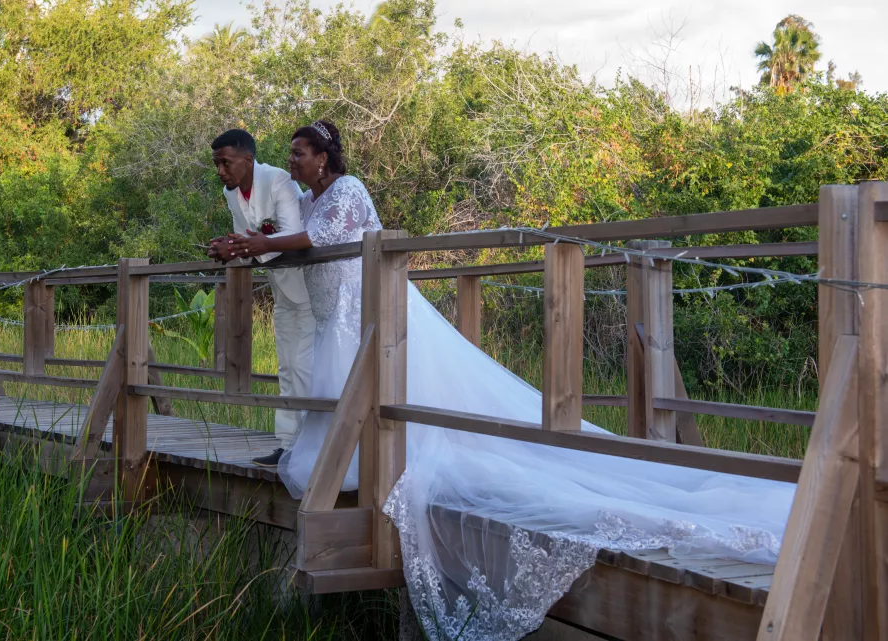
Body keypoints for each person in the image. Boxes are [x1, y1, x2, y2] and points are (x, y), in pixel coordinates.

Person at [227, 120, 795, 641]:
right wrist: (245, 247)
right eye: (293, 155)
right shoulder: (306, 198)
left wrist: (259, 243)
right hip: (338, 315)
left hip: (367, 310)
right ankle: (351, 464)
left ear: (324, 158)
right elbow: (292, 238)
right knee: (347, 393)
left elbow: (319, 241)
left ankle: (382, 459)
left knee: (402, 397)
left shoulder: (348, 192)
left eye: (300, 154)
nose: (293, 161)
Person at [207, 129, 315, 467]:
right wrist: (227, 249)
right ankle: (287, 445)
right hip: (281, 288)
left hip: (310, 287)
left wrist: (244, 246)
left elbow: (295, 235)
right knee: (286, 364)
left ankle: (314, 444)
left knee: (305, 365)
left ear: (248, 160)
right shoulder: (231, 194)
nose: (221, 171)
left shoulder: (279, 180)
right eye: (217, 165)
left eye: (225, 163)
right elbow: (246, 240)